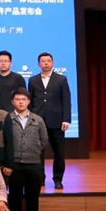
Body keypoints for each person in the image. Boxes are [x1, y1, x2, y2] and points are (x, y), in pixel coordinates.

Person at [9, 88, 49, 211]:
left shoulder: (37, 120)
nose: (21, 102)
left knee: (33, 199)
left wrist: (33, 152)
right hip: (15, 166)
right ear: (13, 102)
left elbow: (44, 141)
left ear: (29, 102)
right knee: (15, 199)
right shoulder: (8, 119)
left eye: (23, 99)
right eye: (17, 99)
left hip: (33, 165)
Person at [28, 52, 71, 189]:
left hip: (57, 121)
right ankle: (40, 178)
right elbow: (30, 101)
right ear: (38, 64)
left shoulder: (61, 79)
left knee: (59, 152)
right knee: (38, 152)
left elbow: (66, 100)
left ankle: (58, 179)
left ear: (53, 63)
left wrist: (66, 120)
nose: (46, 63)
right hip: (37, 120)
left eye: (48, 61)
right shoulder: (33, 80)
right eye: (43, 61)